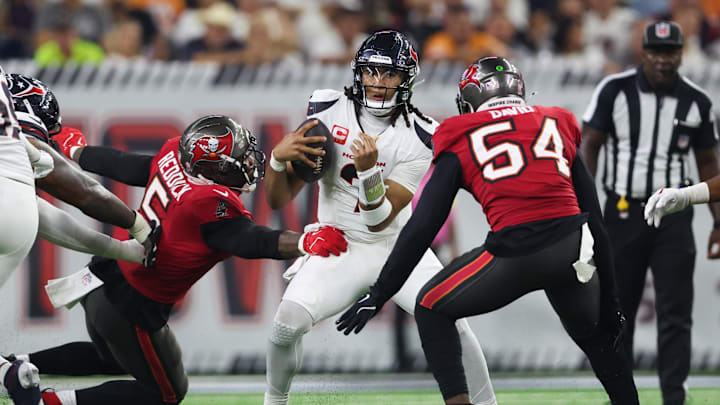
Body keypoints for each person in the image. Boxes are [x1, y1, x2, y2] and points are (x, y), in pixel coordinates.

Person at [336, 56, 640, 405]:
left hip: (516, 253)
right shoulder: (556, 120)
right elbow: (595, 221)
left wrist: (380, 292)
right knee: (599, 340)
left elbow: (423, 226)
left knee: (430, 307)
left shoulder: (459, 133)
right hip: (571, 249)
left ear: (471, 99)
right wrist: (613, 302)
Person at [5, 115, 348, 405]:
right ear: (215, 169)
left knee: (112, 357)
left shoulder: (175, 153)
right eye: (241, 160)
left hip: (105, 279)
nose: (249, 163)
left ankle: (14, 366)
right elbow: (248, 239)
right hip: (133, 305)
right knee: (167, 393)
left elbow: (131, 165)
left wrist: (78, 151)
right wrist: (302, 240)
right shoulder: (207, 200)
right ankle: (46, 401)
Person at [262, 30, 496, 405]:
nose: (378, 82)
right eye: (371, 71)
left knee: (454, 322)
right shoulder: (325, 108)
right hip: (339, 247)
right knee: (285, 324)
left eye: (389, 74)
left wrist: (369, 172)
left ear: (407, 79)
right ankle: (274, 402)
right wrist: (277, 158)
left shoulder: (422, 135)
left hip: (398, 248)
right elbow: (277, 198)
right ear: (358, 72)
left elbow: (380, 220)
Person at [580, 21, 720, 405]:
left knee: (676, 309)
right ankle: (623, 396)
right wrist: (586, 210)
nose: (663, 60)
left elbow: (709, 164)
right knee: (618, 308)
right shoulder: (614, 90)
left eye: (671, 51)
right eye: (657, 52)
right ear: (644, 52)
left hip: (675, 214)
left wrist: (718, 223)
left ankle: (674, 395)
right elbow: (588, 147)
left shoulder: (697, 101)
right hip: (624, 210)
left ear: (681, 52)